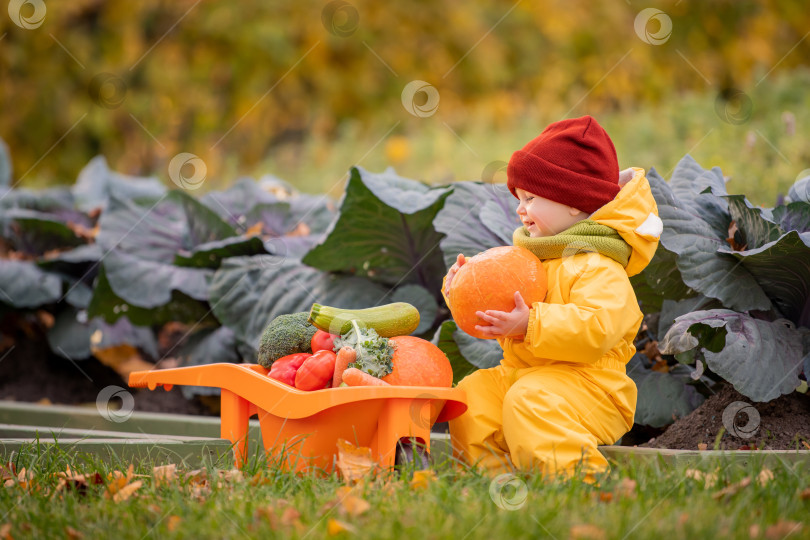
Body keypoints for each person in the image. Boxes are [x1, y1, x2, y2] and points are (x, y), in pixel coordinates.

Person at [443, 115, 663, 481]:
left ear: (573, 203)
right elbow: (495, 307)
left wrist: (531, 323)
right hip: (526, 375)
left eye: (531, 198)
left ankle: (583, 483)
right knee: (472, 397)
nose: (520, 208)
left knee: (530, 401)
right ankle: (496, 484)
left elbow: (597, 328)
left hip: (592, 388)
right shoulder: (533, 258)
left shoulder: (598, 265)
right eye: (519, 198)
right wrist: (460, 289)